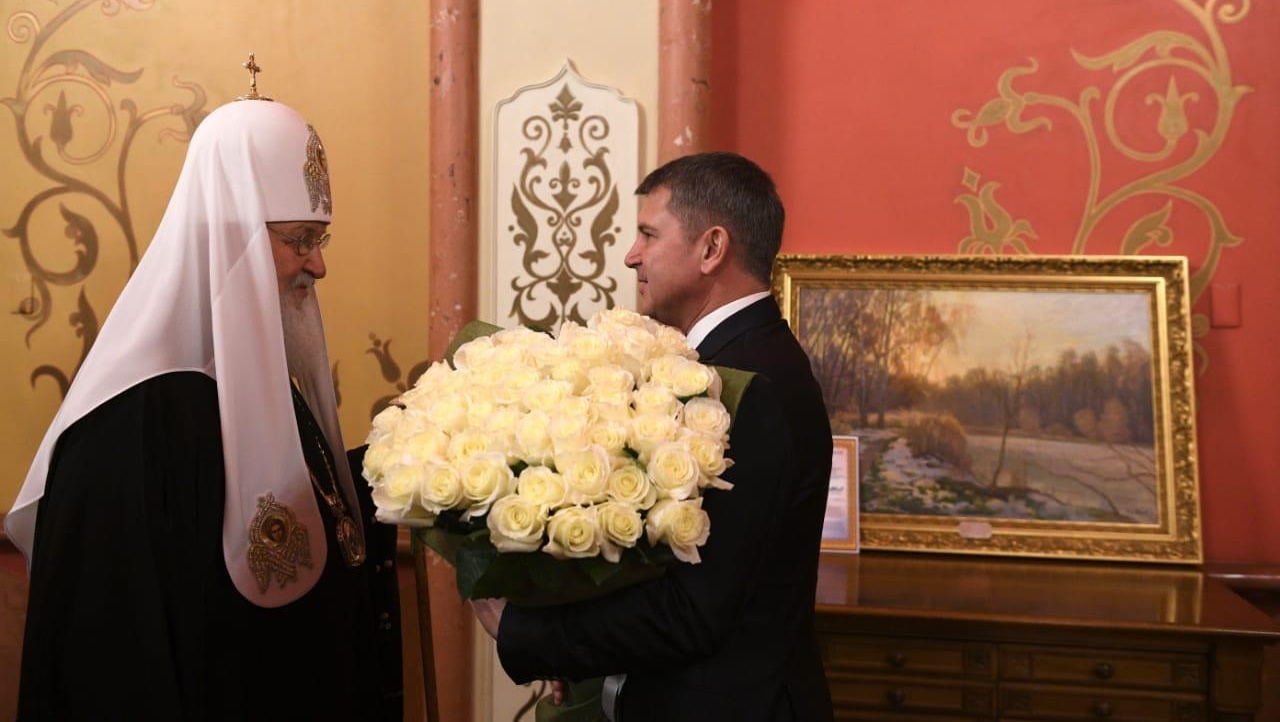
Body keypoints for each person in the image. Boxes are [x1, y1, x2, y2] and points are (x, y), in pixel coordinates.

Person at [6, 67, 401, 720]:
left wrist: (407, 464)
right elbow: (114, 662)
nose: (319, 264)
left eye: (319, 239)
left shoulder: (257, 384)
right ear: (232, 236)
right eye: (300, 240)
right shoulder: (128, 425)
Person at [474, 151, 835, 721]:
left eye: (648, 234)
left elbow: (694, 610)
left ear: (711, 248)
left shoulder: (754, 386)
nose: (630, 255)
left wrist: (533, 632)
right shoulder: (729, 360)